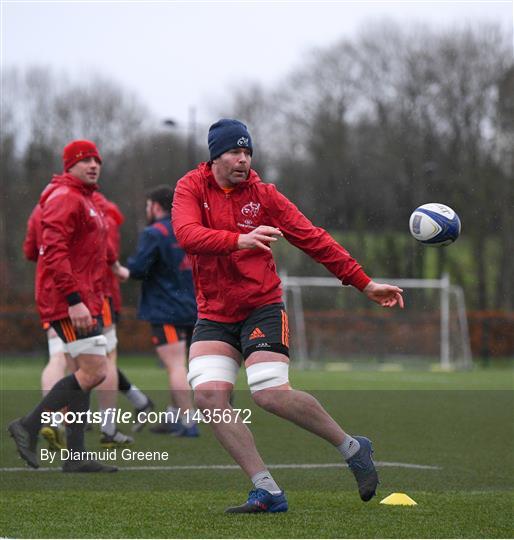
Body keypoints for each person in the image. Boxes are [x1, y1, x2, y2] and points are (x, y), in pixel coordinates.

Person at [171, 119, 405, 513]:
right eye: (235, 152)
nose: (243, 159)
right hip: (214, 312)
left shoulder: (264, 196)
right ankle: (267, 491)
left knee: (269, 393)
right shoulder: (190, 188)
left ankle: (352, 447)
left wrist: (364, 283)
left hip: (262, 305)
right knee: (209, 396)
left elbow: (313, 238)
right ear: (215, 156)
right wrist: (237, 240)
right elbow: (186, 234)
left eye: (248, 153)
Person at [9, 139, 122, 473]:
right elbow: (52, 252)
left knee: (83, 373)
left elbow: (95, 252)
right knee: (96, 371)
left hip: (87, 299)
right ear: (68, 165)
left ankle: (75, 455)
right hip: (69, 302)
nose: (93, 165)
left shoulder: (87, 200)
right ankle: (27, 427)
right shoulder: (64, 197)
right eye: (84, 160)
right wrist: (74, 300)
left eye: (96, 160)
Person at [123, 185, 198, 437]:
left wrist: (116, 267)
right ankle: (174, 415)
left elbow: (137, 269)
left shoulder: (155, 232)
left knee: (176, 366)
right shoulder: (190, 228)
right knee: (190, 364)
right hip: (196, 307)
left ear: (155, 206)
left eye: (147, 206)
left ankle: (188, 423)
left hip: (167, 310)